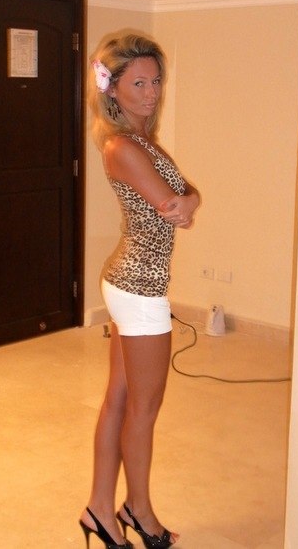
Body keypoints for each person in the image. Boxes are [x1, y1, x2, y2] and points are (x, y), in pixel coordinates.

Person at [79, 33, 200, 549]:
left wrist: (189, 199)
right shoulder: (123, 147)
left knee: (120, 400)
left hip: (129, 282)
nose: (151, 93)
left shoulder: (141, 140)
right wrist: (186, 202)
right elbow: (176, 207)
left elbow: (186, 198)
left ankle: (98, 509)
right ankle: (139, 511)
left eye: (156, 82)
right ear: (113, 89)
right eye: (138, 84)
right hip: (141, 288)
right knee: (143, 410)